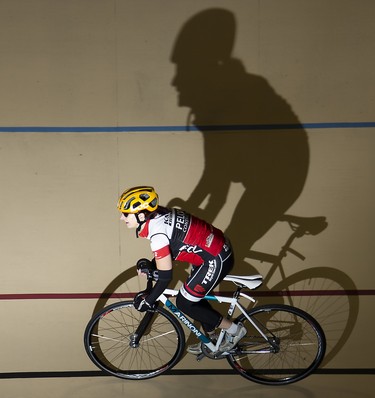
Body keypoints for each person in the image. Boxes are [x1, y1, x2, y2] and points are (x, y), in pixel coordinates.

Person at [117, 185, 246, 354]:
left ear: (141, 215)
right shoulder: (160, 213)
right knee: (192, 295)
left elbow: (165, 277)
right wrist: (152, 264)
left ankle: (235, 330)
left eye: (125, 214)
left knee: (184, 302)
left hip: (215, 258)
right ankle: (213, 338)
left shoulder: (157, 235)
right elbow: (170, 248)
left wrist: (149, 300)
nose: (121, 217)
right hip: (212, 250)